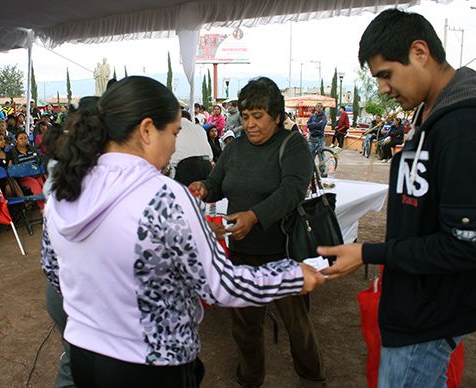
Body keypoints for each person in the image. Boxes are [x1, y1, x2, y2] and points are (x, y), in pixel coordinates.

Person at [43, 76, 325, 388]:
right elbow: (220, 286)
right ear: (147, 130)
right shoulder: (164, 195)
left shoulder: (64, 188)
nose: (176, 144)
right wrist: (293, 276)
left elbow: (54, 270)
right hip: (152, 361)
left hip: (86, 351)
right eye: (175, 132)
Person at [319, 8, 476, 388]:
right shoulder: (432, 114)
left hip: (431, 313)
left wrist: (370, 253)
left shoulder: (465, 128)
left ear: (420, 52)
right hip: (416, 302)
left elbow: (467, 245)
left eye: (386, 75)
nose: (384, 89)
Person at [189, 77, 326, 388]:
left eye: (258, 116)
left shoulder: (292, 146)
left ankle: (312, 378)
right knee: (245, 327)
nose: (250, 124)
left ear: (276, 116)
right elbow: (217, 184)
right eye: (246, 116)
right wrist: (204, 188)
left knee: (297, 325)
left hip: (283, 254)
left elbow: (292, 191)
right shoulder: (235, 148)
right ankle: (249, 379)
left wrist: (254, 216)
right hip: (241, 253)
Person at [168, 110, 213, 186]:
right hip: (206, 165)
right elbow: (210, 155)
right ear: (190, 119)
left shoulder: (172, 128)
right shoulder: (200, 129)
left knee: (187, 196)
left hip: (186, 167)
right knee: (206, 195)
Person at [306, 102, 328, 176]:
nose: (319, 108)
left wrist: (313, 125)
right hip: (312, 138)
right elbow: (308, 125)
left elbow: (322, 126)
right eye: (318, 106)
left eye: (321, 107)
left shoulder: (324, 117)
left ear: (322, 108)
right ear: (315, 108)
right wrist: (316, 124)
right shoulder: (312, 116)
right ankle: (310, 171)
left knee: (321, 155)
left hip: (320, 138)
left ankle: (323, 171)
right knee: (311, 155)